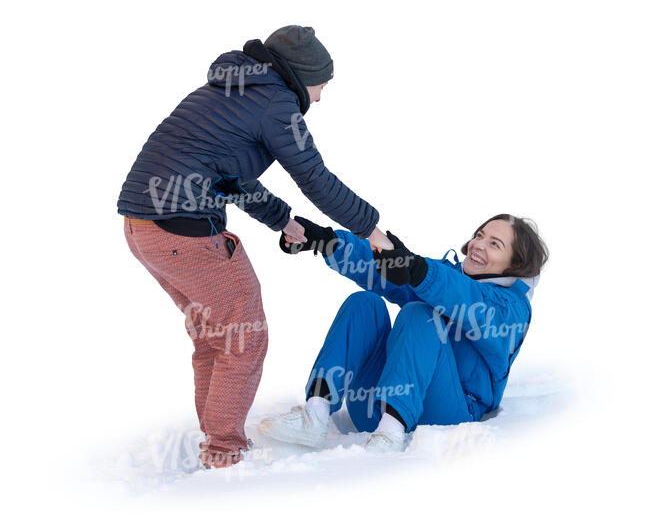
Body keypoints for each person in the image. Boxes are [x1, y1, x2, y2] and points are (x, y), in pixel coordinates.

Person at [117, 25, 394, 468]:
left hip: (143, 228)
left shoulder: (232, 89)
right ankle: (224, 453)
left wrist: (282, 219)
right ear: (301, 75)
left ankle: (215, 441)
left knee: (215, 338)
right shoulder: (277, 102)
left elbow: (228, 176)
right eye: (321, 84)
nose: (320, 98)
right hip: (184, 231)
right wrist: (372, 230)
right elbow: (315, 179)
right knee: (245, 338)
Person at [260, 214, 549, 452]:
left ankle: (389, 436)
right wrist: (329, 243)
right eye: (480, 234)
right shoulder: (448, 275)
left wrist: (417, 270)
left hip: (448, 416)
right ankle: (316, 413)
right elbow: (386, 271)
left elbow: (466, 299)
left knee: (420, 314)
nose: (478, 244)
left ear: (516, 263)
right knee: (365, 304)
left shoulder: (511, 309)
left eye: (495, 244)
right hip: (373, 408)